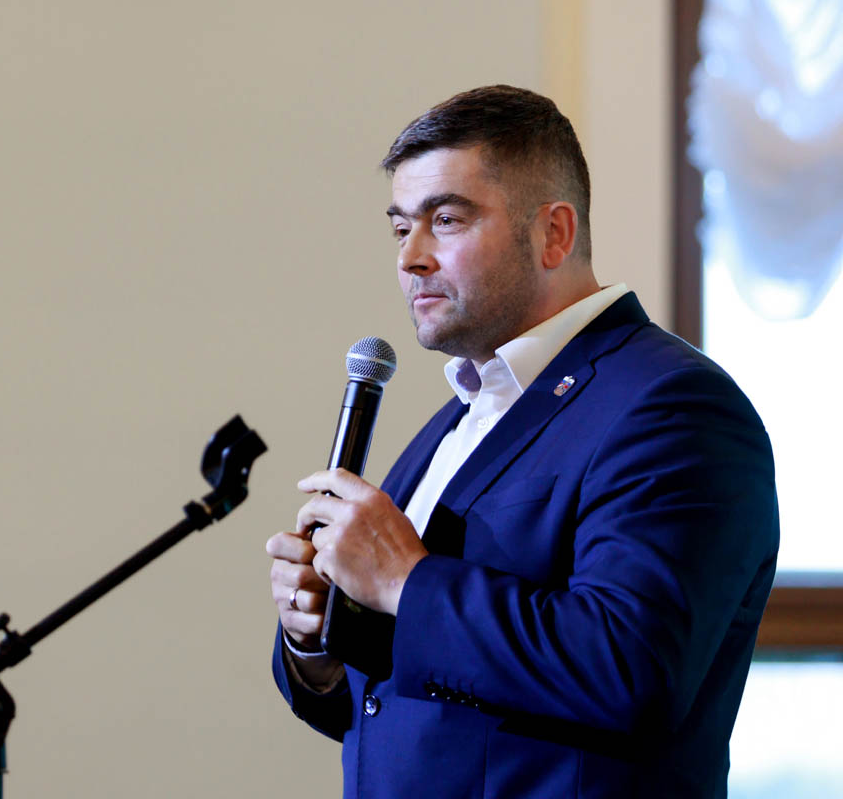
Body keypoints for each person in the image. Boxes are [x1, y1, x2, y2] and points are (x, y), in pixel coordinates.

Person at [266, 85, 778, 799]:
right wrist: (320, 639)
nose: (411, 257)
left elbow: (631, 669)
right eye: (400, 228)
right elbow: (404, 701)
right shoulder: (462, 416)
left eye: (446, 219)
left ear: (554, 234)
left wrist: (403, 581)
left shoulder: (673, 405)